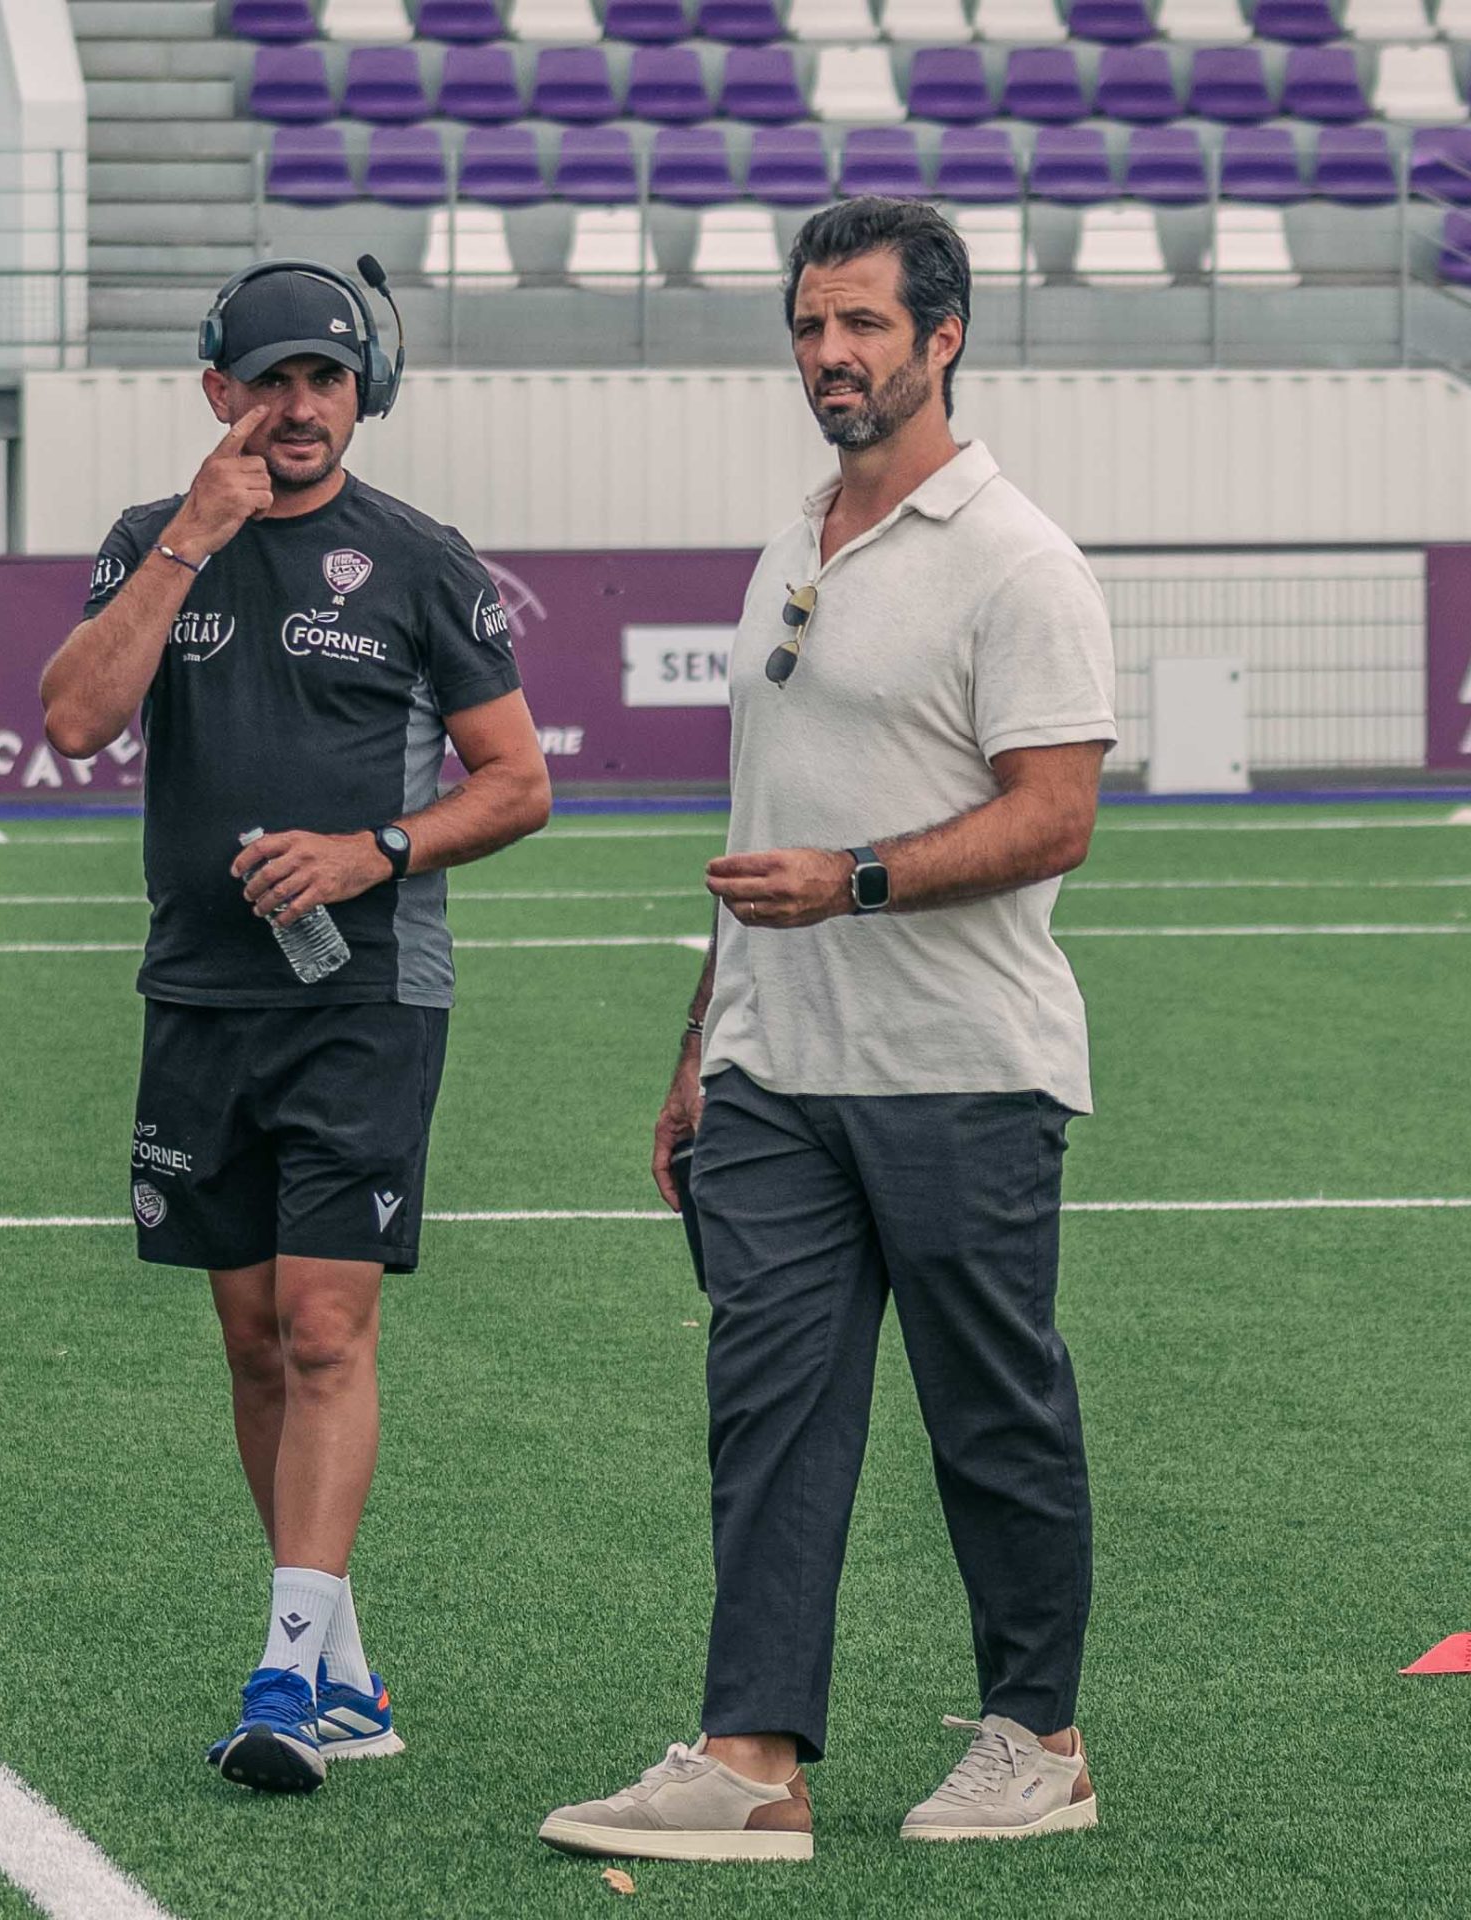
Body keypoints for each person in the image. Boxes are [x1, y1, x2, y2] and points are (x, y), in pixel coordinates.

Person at [541, 197, 1117, 1863]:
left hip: (963, 1072)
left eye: (862, 325)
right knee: (769, 1416)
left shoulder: (1020, 559)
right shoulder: (795, 538)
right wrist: (696, 1046)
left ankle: (1039, 1738)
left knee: (992, 1416)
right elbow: (762, 819)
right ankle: (752, 1762)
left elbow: (1057, 815)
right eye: (808, 326)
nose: (829, 356)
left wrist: (856, 882)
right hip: (774, 1077)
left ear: (943, 338)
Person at [41, 260, 551, 1797]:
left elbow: (517, 782)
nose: (297, 408)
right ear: (218, 395)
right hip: (199, 994)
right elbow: (72, 720)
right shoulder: (152, 543)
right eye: (269, 380)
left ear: (362, 396)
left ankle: (286, 1670)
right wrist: (194, 539)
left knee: (326, 1325)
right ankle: (340, 1663)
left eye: (325, 380)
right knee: (253, 1336)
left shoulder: (420, 562)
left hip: (364, 998)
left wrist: (373, 851)